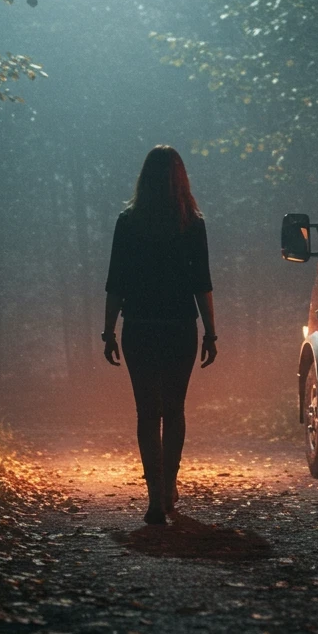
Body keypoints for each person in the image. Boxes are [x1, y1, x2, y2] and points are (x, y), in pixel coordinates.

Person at [102, 145, 217, 525]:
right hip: (180, 328)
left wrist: (108, 331)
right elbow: (202, 283)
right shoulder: (192, 223)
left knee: (147, 412)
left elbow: (115, 282)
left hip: (139, 328)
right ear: (181, 178)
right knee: (174, 408)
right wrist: (211, 332)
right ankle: (169, 488)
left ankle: (154, 497)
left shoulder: (128, 222)